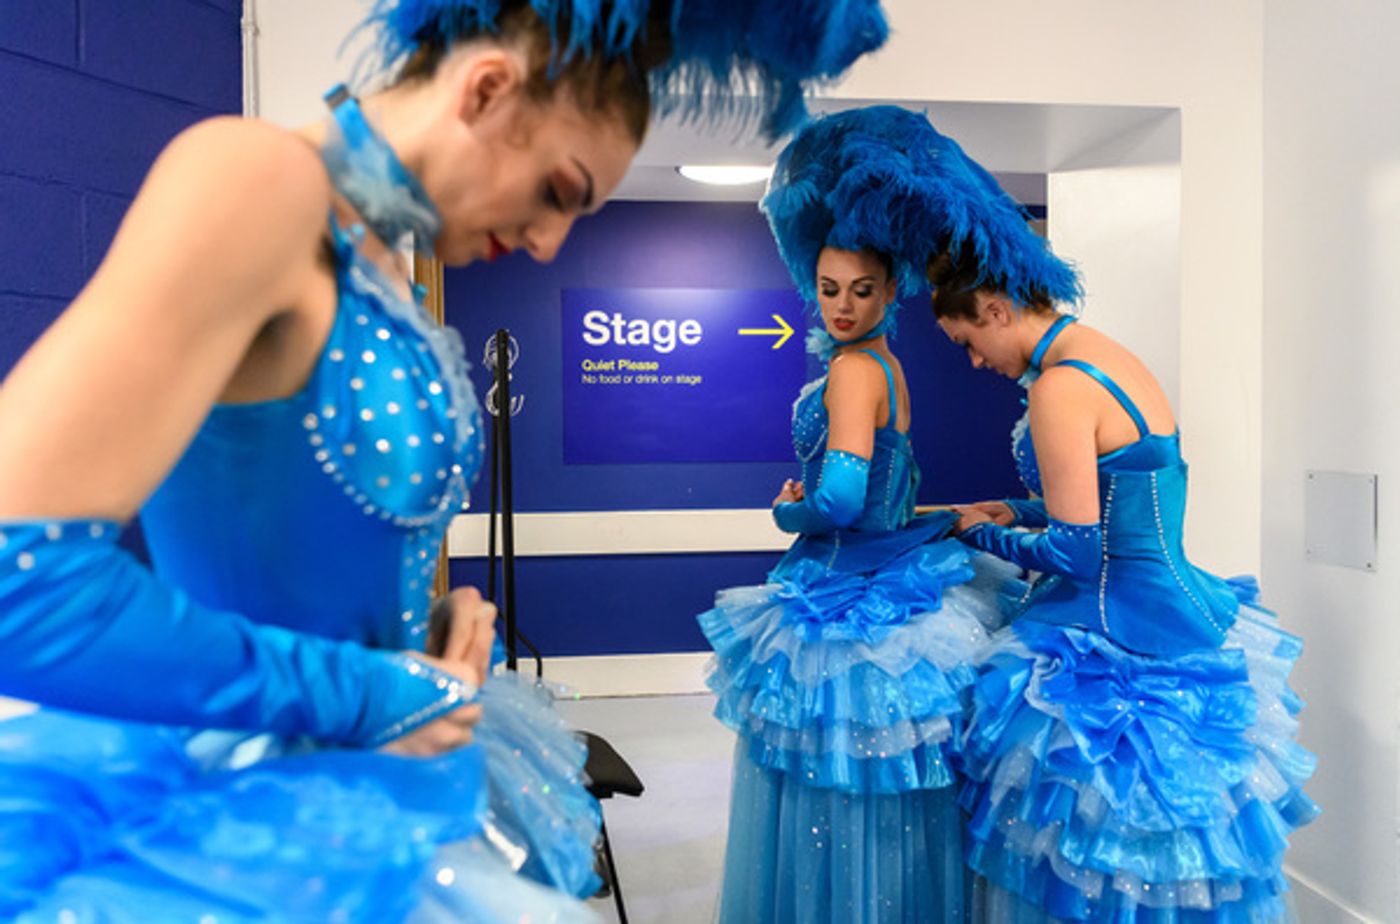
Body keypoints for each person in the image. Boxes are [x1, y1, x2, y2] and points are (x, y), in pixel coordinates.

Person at [0, 1, 893, 919]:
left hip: (381, 787)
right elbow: (16, 578)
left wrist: (428, 627)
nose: (548, 242)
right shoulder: (260, 178)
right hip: (243, 826)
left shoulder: (383, 262)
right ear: (488, 88)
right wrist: (371, 690)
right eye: (558, 191)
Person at [909, 118, 1320, 919]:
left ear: (993, 307)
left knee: (1088, 852)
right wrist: (1012, 507)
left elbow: (1076, 549)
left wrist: (973, 531)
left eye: (967, 341)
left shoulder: (1060, 387)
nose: (975, 361)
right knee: (1161, 854)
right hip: (1176, 607)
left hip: (1112, 627)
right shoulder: (1102, 354)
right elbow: (1117, 495)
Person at [697, 109, 1007, 923]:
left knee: (832, 775)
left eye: (862, 291)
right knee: (882, 776)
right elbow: (890, 490)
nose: (841, 305)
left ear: (891, 290)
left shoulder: (852, 374)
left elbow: (839, 500)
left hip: (847, 582)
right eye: (829, 289)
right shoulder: (886, 366)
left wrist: (786, 514)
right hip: (891, 569)